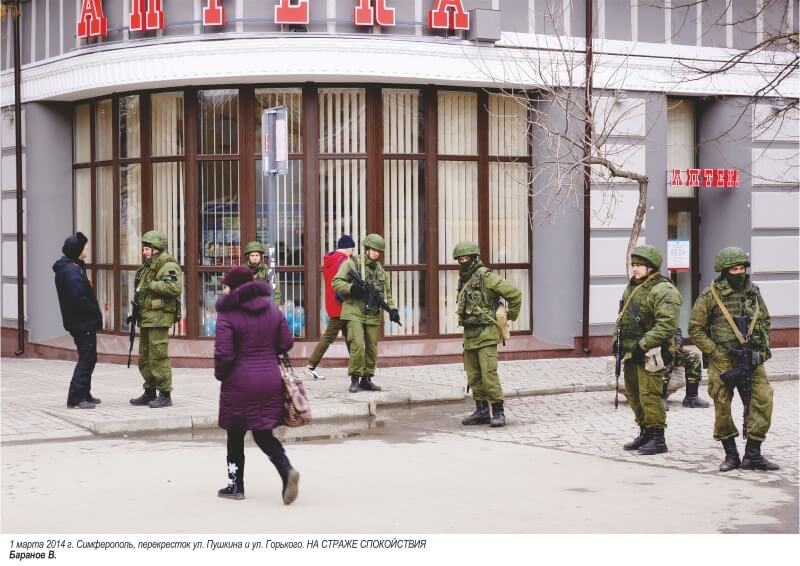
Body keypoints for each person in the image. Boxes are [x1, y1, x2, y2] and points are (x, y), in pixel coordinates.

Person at [214, 266, 300, 504]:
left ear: (236, 288)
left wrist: (221, 375)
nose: (224, 290)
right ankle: (286, 470)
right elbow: (286, 342)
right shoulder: (271, 308)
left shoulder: (228, 314)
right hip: (270, 379)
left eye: (226, 286)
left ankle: (235, 485)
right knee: (262, 432)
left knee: (235, 433)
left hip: (239, 381)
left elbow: (224, 354)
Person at [688, 247, 779, 472]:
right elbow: (695, 328)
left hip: (751, 358)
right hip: (723, 359)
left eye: (741, 268)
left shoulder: (753, 292)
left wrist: (761, 350)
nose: (739, 273)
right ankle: (731, 455)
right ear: (724, 271)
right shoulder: (710, 295)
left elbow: (765, 320)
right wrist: (715, 352)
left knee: (764, 400)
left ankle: (753, 454)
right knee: (722, 406)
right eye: (734, 269)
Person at [617, 245, 681, 455]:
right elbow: (622, 318)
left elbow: (666, 325)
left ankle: (657, 438)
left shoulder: (664, 290)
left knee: (649, 395)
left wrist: (642, 345)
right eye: (633, 265)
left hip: (653, 353)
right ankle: (645, 431)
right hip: (631, 352)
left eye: (639, 265)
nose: (635, 269)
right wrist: (617, 342)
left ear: (651, 267)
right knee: (634, 394)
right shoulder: (632, 287)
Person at [454, 241, 522, 428]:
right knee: (474, 375)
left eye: (465, 258)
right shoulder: (464, 278)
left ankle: (498, 412)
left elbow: (514, 294)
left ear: (474, 258)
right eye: (460, 259)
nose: (462, 261)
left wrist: (509, 316)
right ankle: (482, 411)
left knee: (488, 374)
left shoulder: (487, 277)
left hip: (486, 334)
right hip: (470, 334)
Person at [332, 233, 399, 393]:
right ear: (367, 248)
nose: (376, 253)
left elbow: (387, 294)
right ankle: (355, 378)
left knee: (371, 348)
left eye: (379, 251)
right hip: (354, 311)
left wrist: (393, 309)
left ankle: (366, 379)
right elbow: (336, 282)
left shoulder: (381, 272)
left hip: (373, 313)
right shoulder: (353, 263)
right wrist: (352, 288)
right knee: (357, 344)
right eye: (374, 250)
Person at [129, 230, 183, 409]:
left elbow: (174, 287)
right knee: (144, 357)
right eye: (144, 248)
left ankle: (165, 394)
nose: (144, 252)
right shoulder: (149, 265)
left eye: (147, 249)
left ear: (156, 248)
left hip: (159, 317)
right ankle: (150, 390)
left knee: (158, 355)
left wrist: (150, 284)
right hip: (147, 316)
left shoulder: (168, 265)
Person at [53, 232, 103, 409]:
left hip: (80, 322)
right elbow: (78, 297)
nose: (86, 249)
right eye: (84, 247)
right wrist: (92, 311)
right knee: (87, 358)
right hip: (82, 322)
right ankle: (75, 398)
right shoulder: (71, 271)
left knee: (90, 358)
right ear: (77, 250)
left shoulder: (73, 267)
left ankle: (85, 393)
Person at [306, 234, 356, 381]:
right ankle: (311, 365)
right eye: (352, 249)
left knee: (350, 336)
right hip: (341, 304)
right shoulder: (343, 261)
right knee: (330, 336)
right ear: (347, 248)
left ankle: (357, 368)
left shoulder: (331, 260)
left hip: (333, 303)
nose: (352, 252)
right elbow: (344, 283)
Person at [659, 328, 710, 411]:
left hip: (670, 349)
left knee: (693, 356)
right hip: (652, 351)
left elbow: (677, 331)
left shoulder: (670, 319)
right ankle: (661, 397)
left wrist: (678, 345)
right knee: (667, 356)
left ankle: (691, 398)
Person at [242, 240, 282, 304]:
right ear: (248, 256)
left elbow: (275, 290)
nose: (255, 258)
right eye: (252, 255)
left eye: (257, 255)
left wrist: (275, 305)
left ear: (260, 256)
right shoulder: (242, 270)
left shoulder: (267, 270)